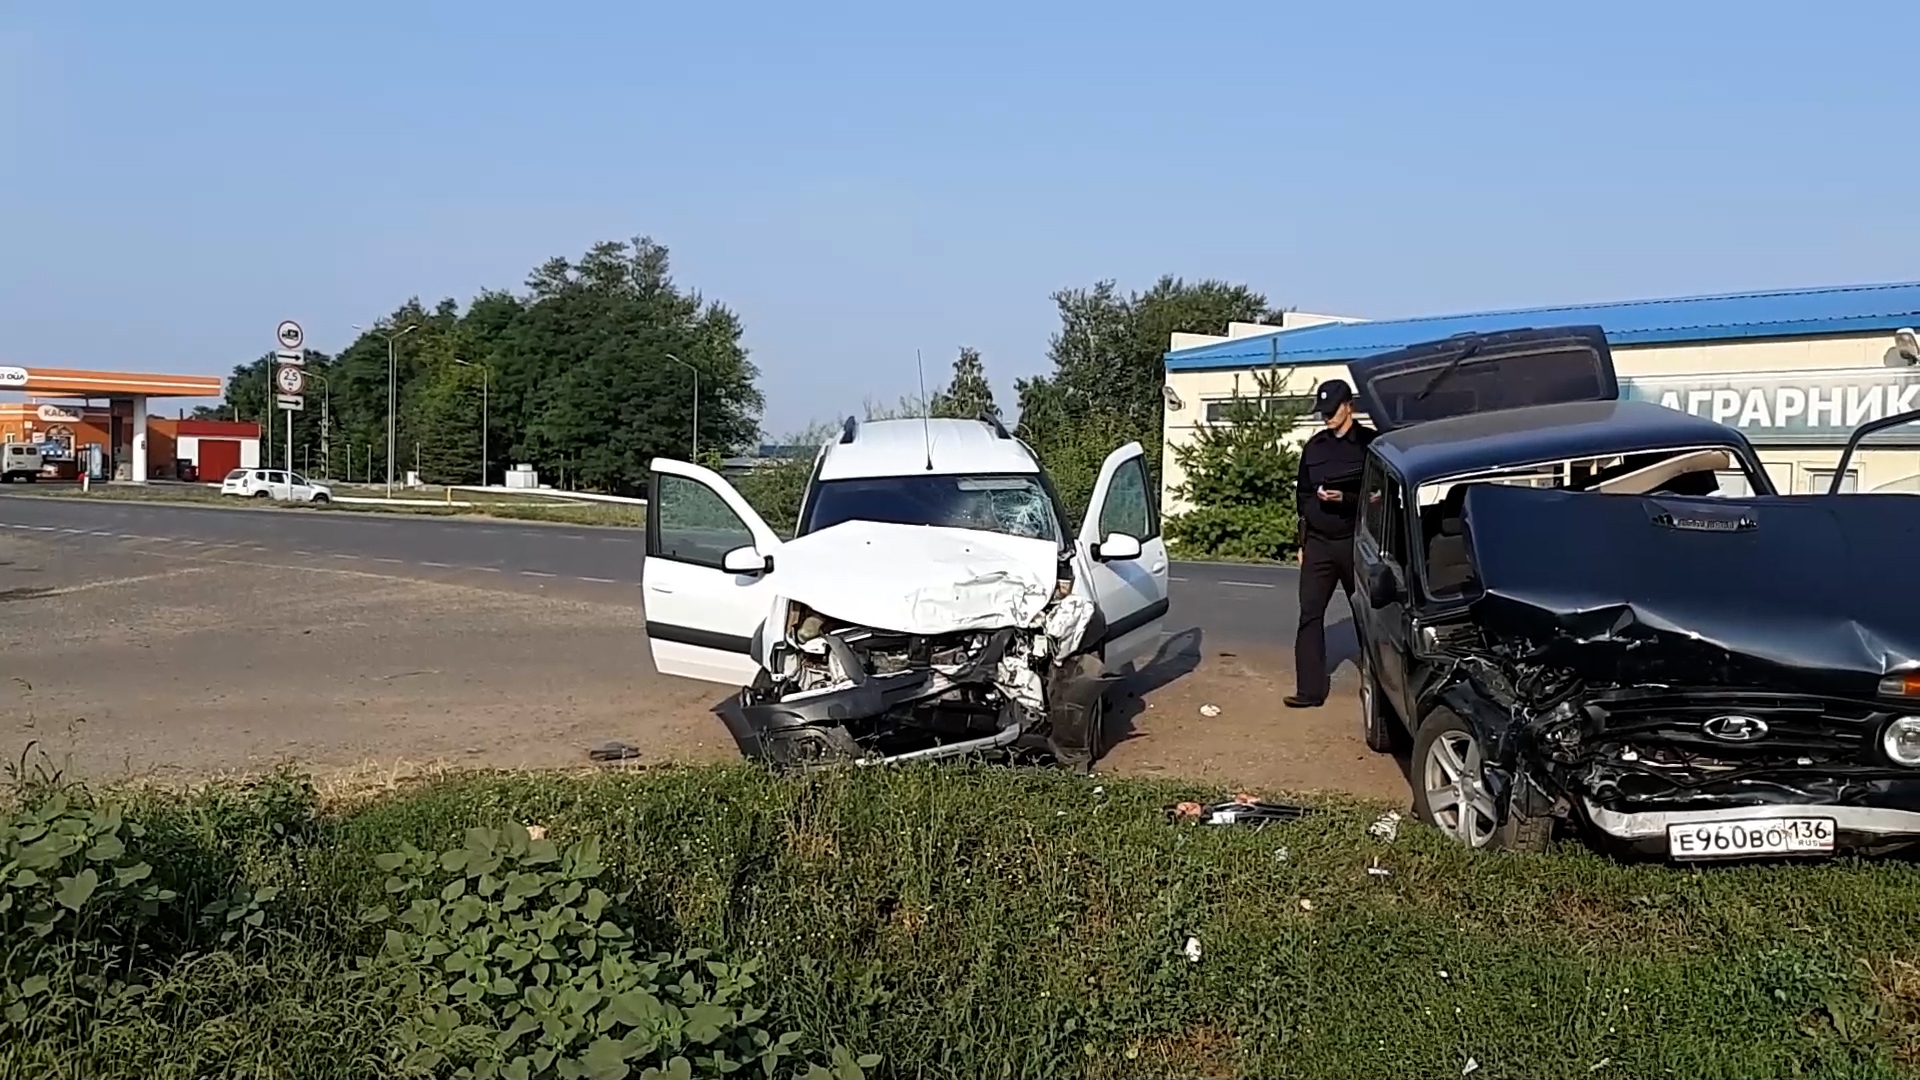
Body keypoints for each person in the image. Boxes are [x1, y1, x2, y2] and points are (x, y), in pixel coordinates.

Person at [1286, 378, 1376, 708]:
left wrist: (1346, 498)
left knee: (1368, 616)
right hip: (1319, 544)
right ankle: (1309, 691)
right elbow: (1303, 495)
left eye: (1331, 410)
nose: (1326, 417)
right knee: (1309, 614)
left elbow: (1380, 497)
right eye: (1322, 412)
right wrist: (1303, 541)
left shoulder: (1371, 443)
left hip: (1356, 542)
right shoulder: (1315, 446)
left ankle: (1379, 688)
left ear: (1348, 406)